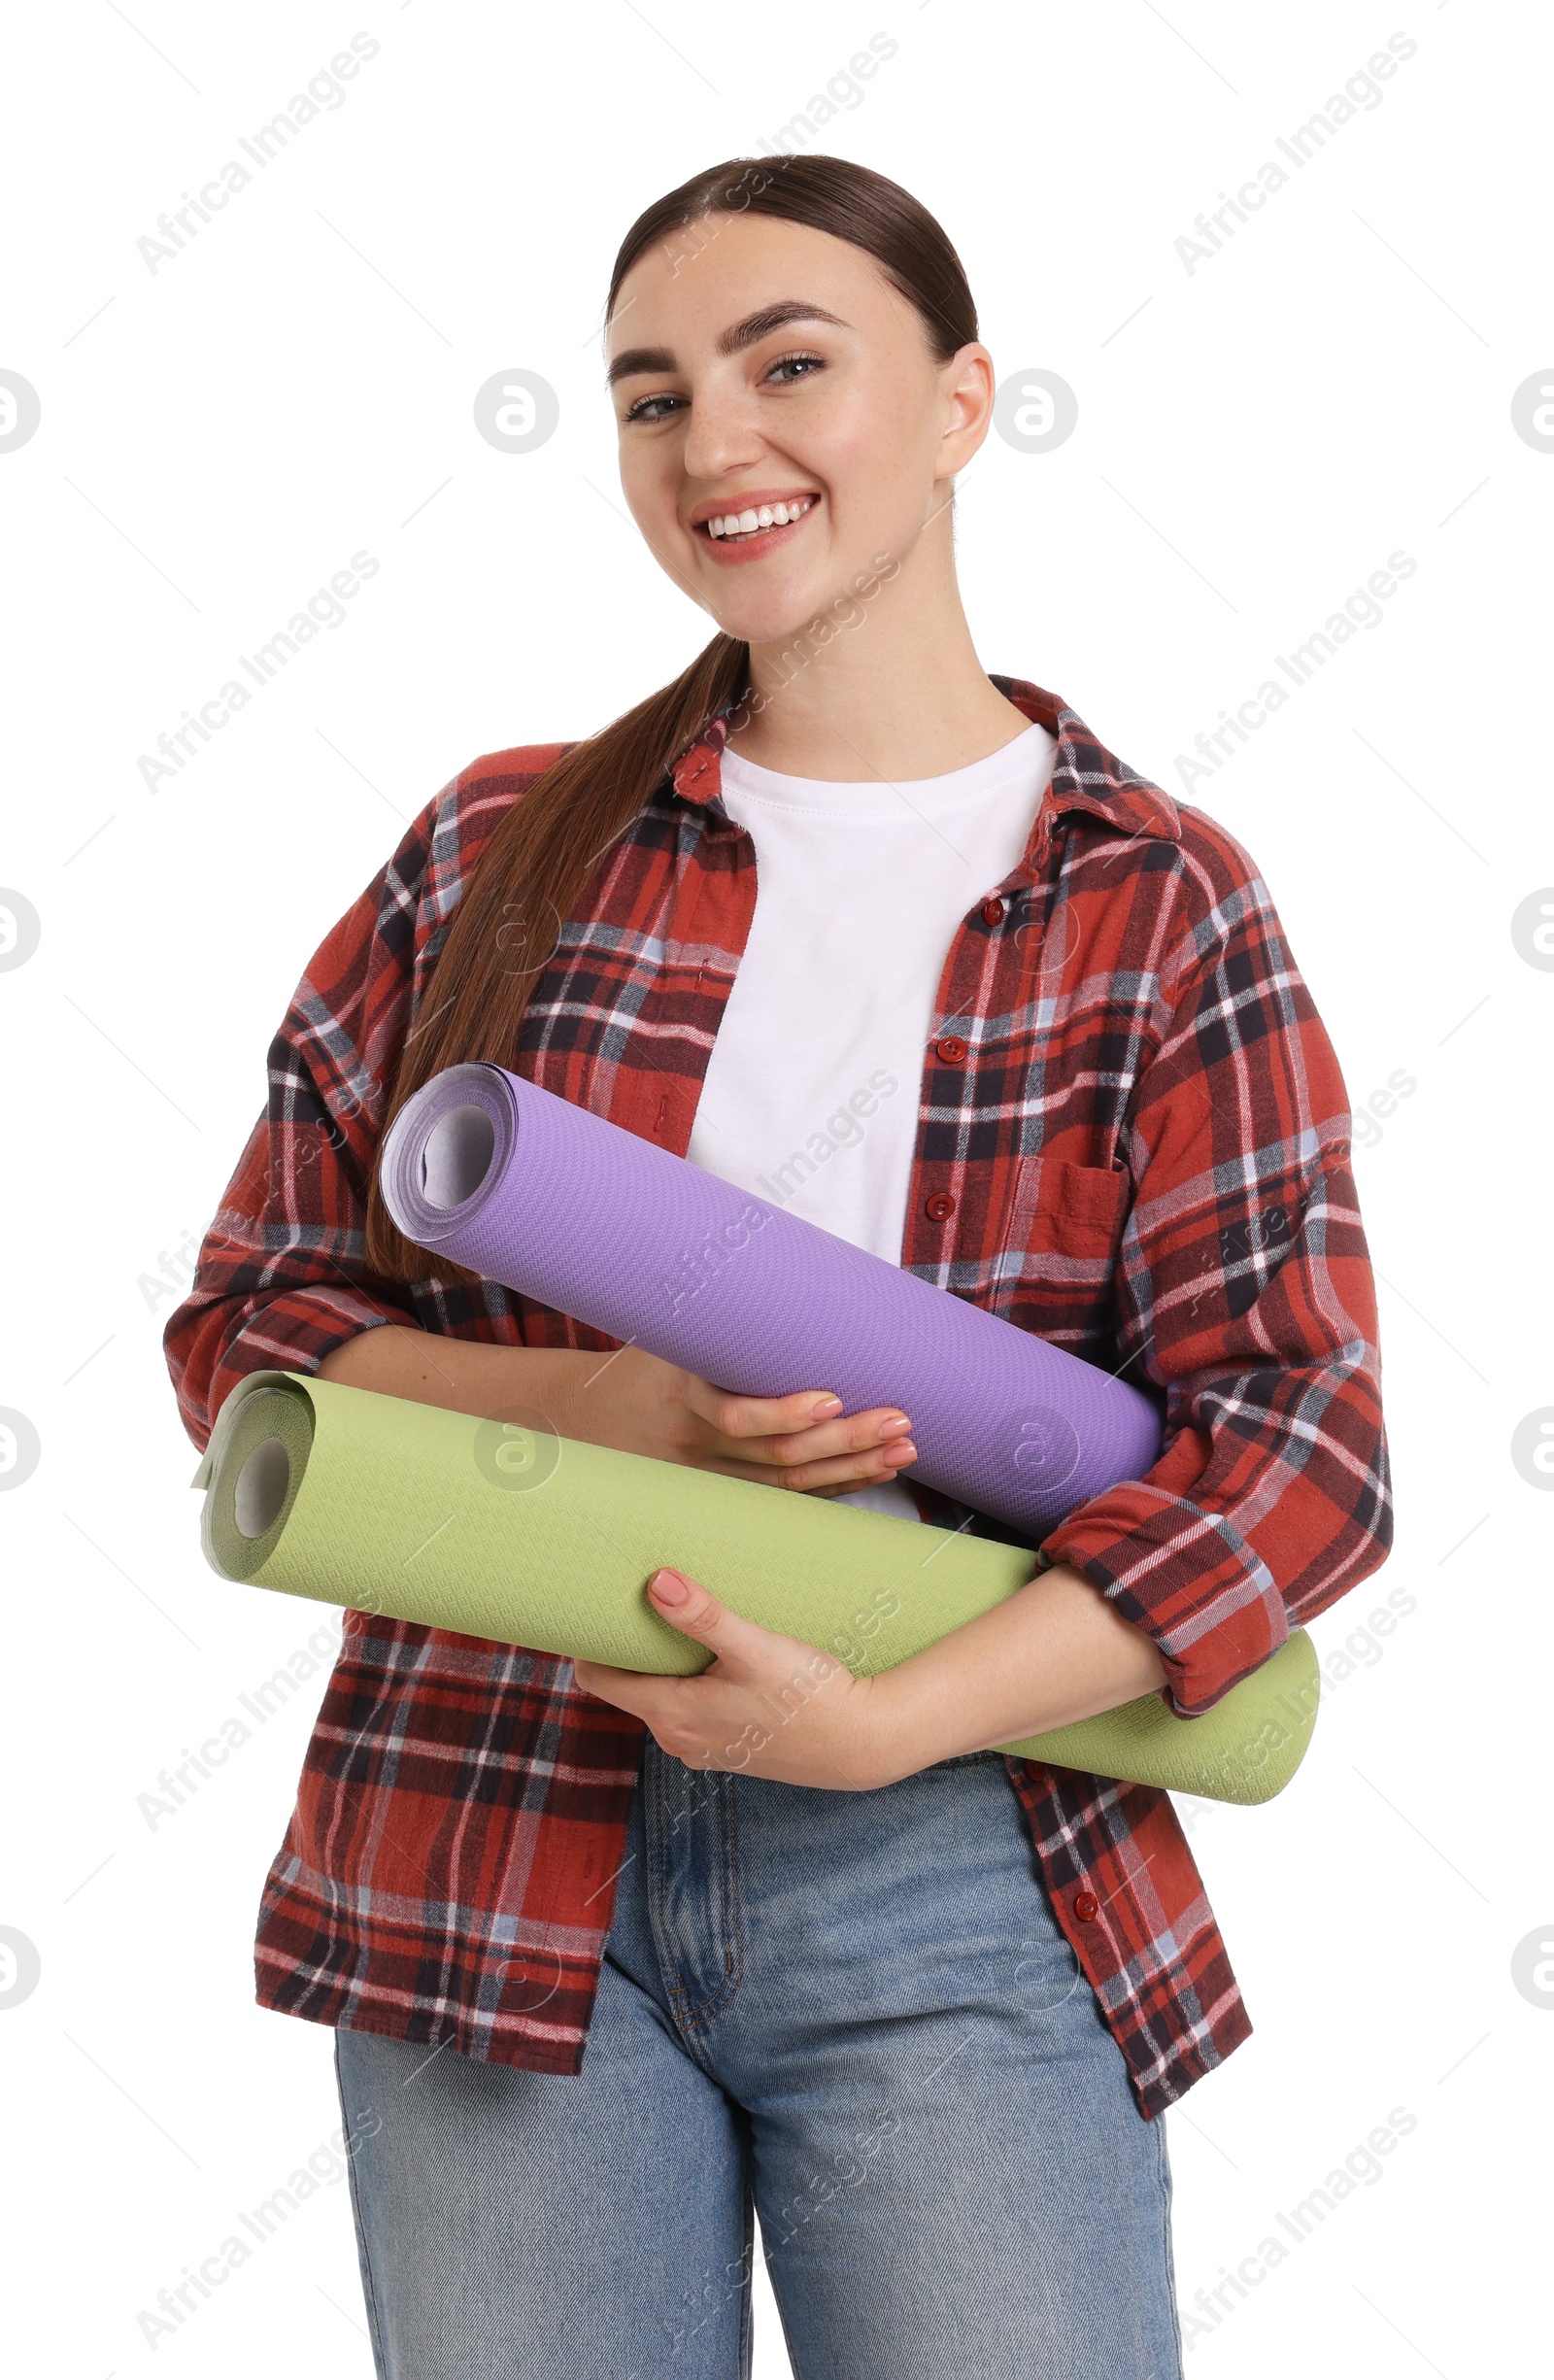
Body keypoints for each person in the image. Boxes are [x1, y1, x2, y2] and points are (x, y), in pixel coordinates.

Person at [164, 153, 1392, 2379]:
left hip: (954, 1843)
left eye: (786, 363)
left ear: (956, 402)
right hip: (490, 1832)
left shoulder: (1151, 897)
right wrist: (596, 1412)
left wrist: (883, 1720)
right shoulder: (495, 846)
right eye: (650, 395)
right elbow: (252, 1322)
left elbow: (1302, 1449)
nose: (712, 441)